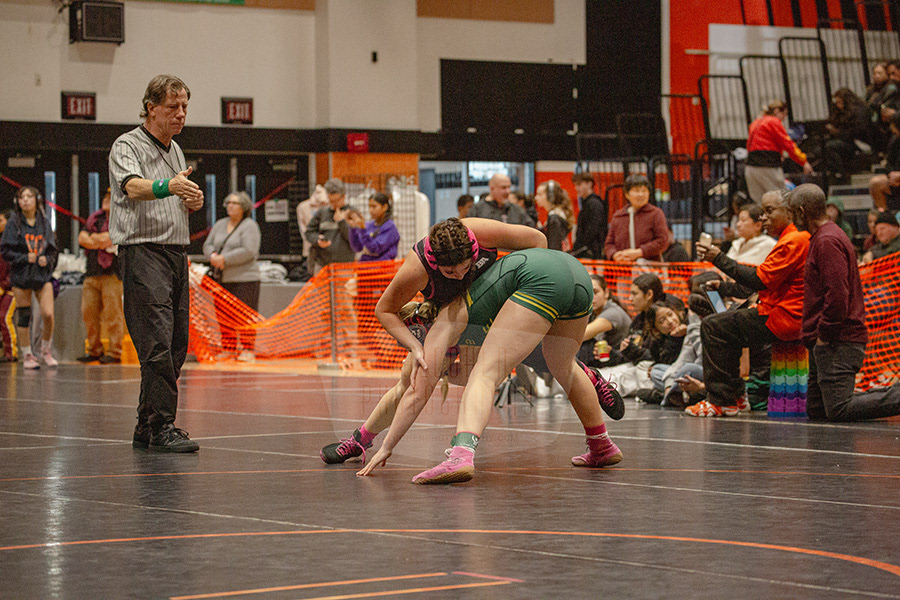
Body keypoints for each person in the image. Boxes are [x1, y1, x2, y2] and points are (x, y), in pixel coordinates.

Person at [357, 248, 624, 483]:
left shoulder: (448, 321)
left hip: (538, 278)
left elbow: (417, 393)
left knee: (486, 375)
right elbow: (464, 374)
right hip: (574, 273)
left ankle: (461, 455)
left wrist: (387, 445)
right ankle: (601, 445)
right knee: (563, 366)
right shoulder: (469, 317)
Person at [108, 74, 203, 452]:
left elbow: (174, 197)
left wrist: (191, 200)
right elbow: (133, 187)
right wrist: (168, 186)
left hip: (176, 253)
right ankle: (163, 425)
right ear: (151, 108)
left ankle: (146, 426)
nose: (181, 114)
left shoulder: (175, 150)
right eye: (172, 107)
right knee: (157, 343)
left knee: (176, 343)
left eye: (185, 107)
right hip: (143, 252)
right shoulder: (126, 145)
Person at [690, 189, 810, 417]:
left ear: (789, 212)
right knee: (725, 324)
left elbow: (759, 279)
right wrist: (725, 287)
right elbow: (764, 280)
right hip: (780, 312)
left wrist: (718, 258)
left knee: (714, 326)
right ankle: (735, 396)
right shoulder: (792, 238)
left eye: (769, 211)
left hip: (785, 318)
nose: (763, 217)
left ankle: (721, 400)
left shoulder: (794, 240)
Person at [789, 183, 900, 421]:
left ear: (801, 211)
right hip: (828, 340)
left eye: (791, 213)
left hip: (837, 340)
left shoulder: (827, 241)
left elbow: (837, 295)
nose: (791, 219)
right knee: (817, 410)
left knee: (839, 408)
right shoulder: (824, 237)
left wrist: (825, 334)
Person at [0, 185, 58, 369]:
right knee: (24, 315)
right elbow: (5, 251)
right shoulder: (13, 223)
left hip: (42, 275)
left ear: (36, 200)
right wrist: (24, 258)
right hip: (21, 275)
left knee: (48, 314)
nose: (25, 200)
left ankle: (45, 350)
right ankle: (27, 354)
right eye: (21, 197)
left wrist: (47, 260)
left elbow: (53, 250)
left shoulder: (44, 222)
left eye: (29, 196)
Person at [76, 187, 124, 364]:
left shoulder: (122, 219)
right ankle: (94, 349)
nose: (106, 199)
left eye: (110, 196)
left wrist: (93, 240)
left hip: (112, 274)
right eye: (105, 196)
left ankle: (114, 352)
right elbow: (82, 238)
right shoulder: (95, 218)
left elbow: (109, 239)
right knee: (88, 313)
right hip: (91, 273)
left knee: (113, 315)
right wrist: (99, 240)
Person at [744, 100, 814, 203]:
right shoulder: (773, 122)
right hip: (768, 167)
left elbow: (751, 145)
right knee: (781, 200)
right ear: (777, 111)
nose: (784, 118)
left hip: (750, 168)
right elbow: (788, 144)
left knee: (760, 203)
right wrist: (803, 161)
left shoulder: (755, 122)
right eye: (784, 114)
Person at [203, 191, 262, 310]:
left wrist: (224, 259)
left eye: (234, 203)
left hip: (245, 281)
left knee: (243, 319)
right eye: (228, 202)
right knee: (222, 318)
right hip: (221, 281)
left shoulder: (249, 225)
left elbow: (249, 250)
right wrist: (213, 256)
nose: (230, 206)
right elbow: (207, 245)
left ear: (243, 207)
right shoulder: (220, 224)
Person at [604, 174, 669, 262]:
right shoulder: (618, 216)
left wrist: (640, 252)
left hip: (649, 267)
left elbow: (662, 241)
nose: (641, 194)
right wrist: (614, 255)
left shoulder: (656, 214)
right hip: (622, 267)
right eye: (636, 191)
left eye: (644, 190)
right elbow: (609, 244)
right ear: (627, 194)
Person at [577, 274, 632, 368]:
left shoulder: (613, 313)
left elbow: (580, 335)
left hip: (621, 361)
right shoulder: (593, 312)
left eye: (595, 292)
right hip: (605, 359)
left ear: (606, 293)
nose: (591, 297)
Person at [305, 178, 357, 274]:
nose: (333, 204)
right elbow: (309, 232)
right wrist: (317, 240)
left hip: (344, 266)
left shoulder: (353, 212)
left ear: (343, 196)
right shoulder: (322, 212)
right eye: (331, 201)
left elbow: (354, 239)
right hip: (322, 264)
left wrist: (341, 222)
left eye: (336, 200)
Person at [824, 88, 871, 180]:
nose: (837, 105)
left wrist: (838, 132)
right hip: (847, 140)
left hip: (859, 142)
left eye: (839, 102)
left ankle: (842, 173)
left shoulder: (858, 111)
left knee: (830, 146)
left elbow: (857, 131)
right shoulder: (842, 111)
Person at [347, 192, 400, 262]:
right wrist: (353, 228)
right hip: (365, 266)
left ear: (384, 207)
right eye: (369, 207)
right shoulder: (369, 225)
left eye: (374, 207)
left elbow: (375, 249)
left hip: (382, 267)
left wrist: (362, 229)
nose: (370, 210)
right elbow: (357, 248)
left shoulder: (390, 228)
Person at [467, 173, 535, 226]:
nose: (508, 191)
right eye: (503, 187)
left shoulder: (517, 210)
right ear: (492, 188)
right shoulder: (477, 211)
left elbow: (531, 229)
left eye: (509, 187)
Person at [571, 172, 608, 259]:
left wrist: (580, 246)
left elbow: (594, 229)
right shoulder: (588, 203)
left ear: (589, 184)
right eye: (575, 185)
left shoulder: (594, 204)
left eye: (579, 184)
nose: (576, 188)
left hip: (592, 252)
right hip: (588, 250)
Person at [534, 180, 574, 251]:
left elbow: (554, 248)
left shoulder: (554, 218)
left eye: (540, 194)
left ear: (550, 196)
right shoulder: (557, 215)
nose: (536, 198)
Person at [297, 184, 329, 268]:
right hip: (309, 249)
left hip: (328, 250)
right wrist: (313, 240)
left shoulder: (329, 206)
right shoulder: (302, 207)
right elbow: (303, 230)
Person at [0, 210, 17, 362]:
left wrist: (4, 286)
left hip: (12, 288)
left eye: (1, 221)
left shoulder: (15, 242)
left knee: (4, 317)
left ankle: (11, 352)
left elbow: (13, 269)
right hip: (3, 285)